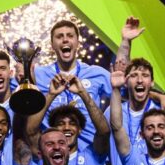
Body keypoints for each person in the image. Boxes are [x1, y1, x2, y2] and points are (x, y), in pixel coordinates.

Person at [31, 19, 112, 149]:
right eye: (59, 36)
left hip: (91, 153)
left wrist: (157, 96)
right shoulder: (37, 74)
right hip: (53, 152)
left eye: (70, 35)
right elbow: (3, 85)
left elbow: (129, 90)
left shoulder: (97, 73)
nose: (65, 40)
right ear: (52, 44)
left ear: (78, 43)